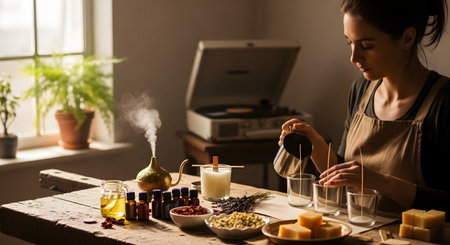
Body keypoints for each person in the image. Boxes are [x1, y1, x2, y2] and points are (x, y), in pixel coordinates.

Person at [279, 0, 449, 218]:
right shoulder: (361, 89)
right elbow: (347, 176)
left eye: (366, 45)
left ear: (407, 38)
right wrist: (317, 145)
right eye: (349, 43)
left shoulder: (443, 103)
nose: (353, 58)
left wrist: (381, 182)